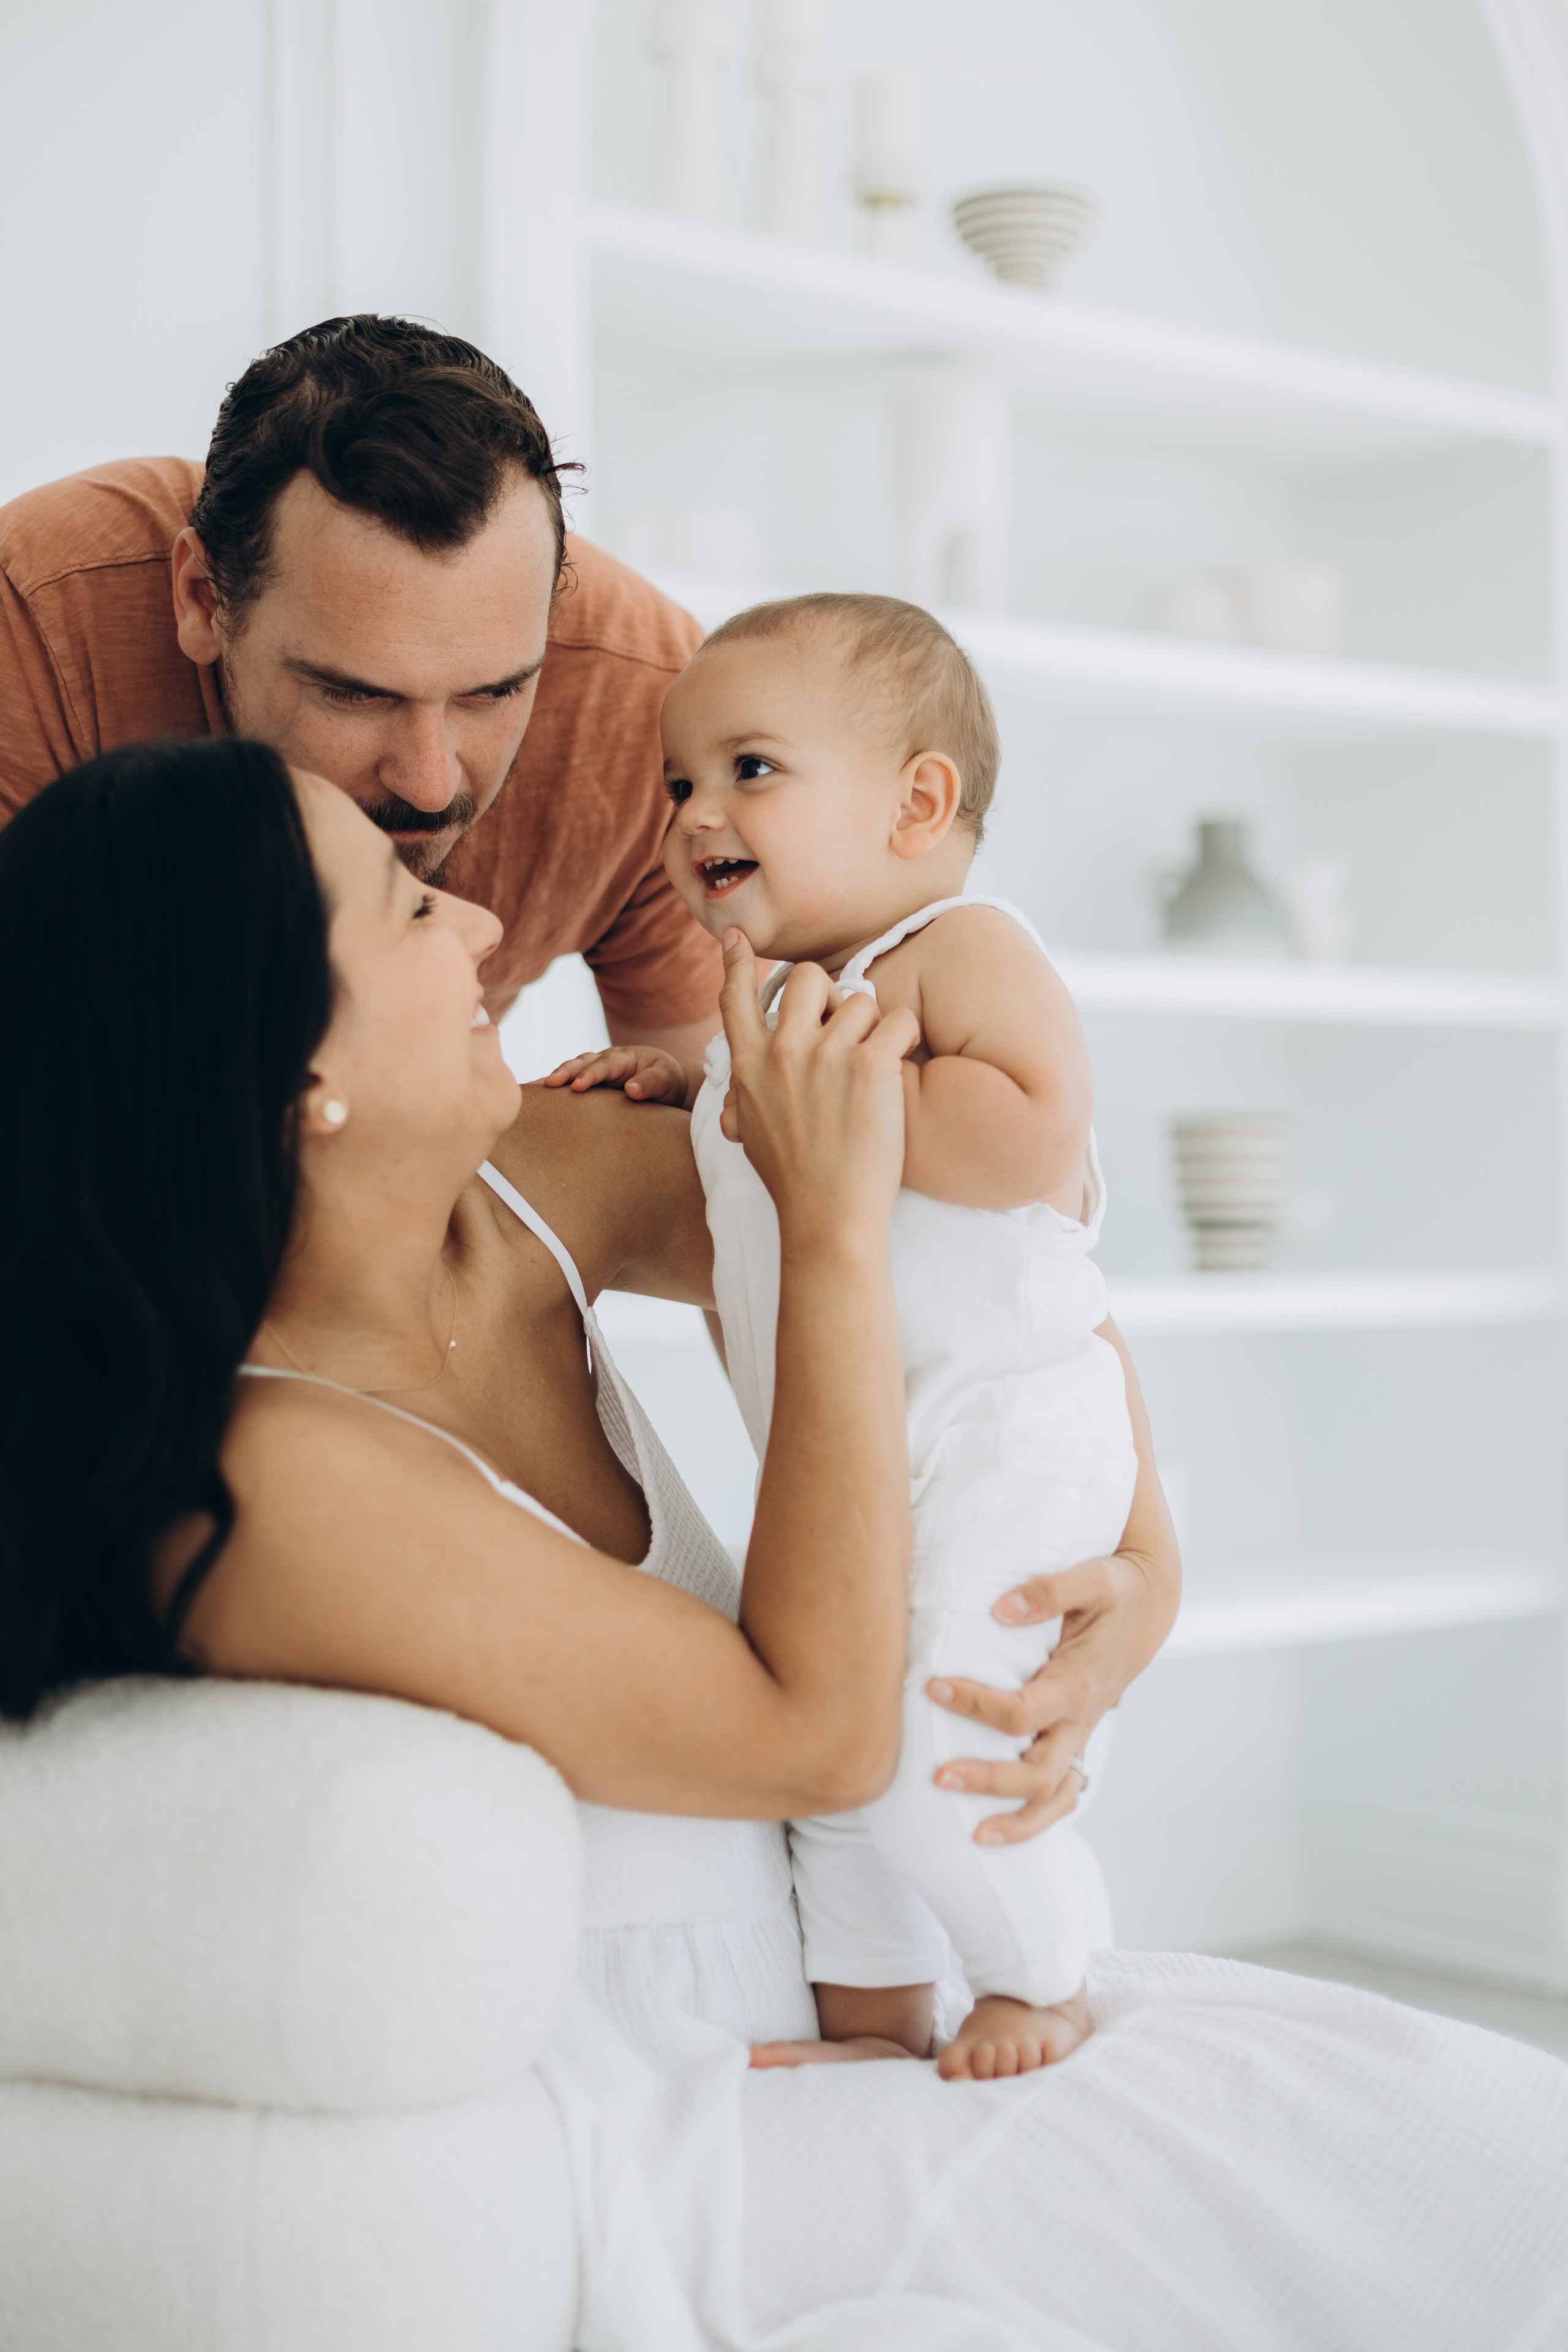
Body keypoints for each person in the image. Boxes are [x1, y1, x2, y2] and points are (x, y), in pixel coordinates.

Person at [3, 741, 1563, 2352]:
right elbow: (815, 1734)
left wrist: (1147, 1557)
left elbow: (986, 1259)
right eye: (405, 910)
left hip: (853, 2001)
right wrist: (820, 1226)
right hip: (670, 2111)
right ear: (288, 1070)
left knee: (1445, 2124)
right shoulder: (267, 1480)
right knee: (1382, 2185)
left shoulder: (514, 1185)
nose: (480, 928)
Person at [552, 592, 1137, 2082]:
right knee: (825, 1756)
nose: (695, 813)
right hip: (857, 1472)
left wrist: (806, 1103)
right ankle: (875, 2024)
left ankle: (1041, 1972)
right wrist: (689, 1091)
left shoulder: (951, 952)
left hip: (1004, 1441)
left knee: (936, 1730)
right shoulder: (768, 1027)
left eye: (749, 768)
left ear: (916, 804)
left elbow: (1031, 1130)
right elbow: (750, 1192)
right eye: (678, 782)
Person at [0, 312, 721, 1069]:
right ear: (203, 600)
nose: (430, 786)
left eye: (492, 693)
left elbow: (709, 1116)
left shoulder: (658, 700)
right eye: (355, 695)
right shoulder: (38, 616)